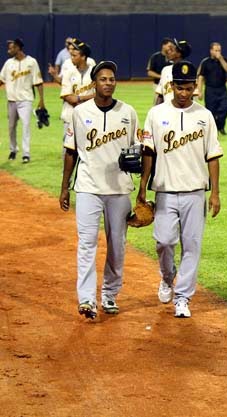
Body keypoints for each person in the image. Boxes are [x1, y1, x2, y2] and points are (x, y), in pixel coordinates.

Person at [138, 60, 223, 318]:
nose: (184, 93)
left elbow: (213, 155)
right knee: (163, 242)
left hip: (195, 192)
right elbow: (148, 151)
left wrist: (215, 192)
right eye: (180, 87)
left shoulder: (204, 116)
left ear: (195, 87)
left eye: (189, 88)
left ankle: (183, 297)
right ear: (170, 85)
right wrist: (143, 185)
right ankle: (167, 276)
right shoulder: (156, 114)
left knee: (192, 245)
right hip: (164, 191)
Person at [59, 60, 139, 319]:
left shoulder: (128, 112)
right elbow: (71, 151)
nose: (108, 83)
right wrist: (64, 188)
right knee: (87, 243)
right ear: (95, 83)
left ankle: (109, 294)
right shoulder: (79, 113)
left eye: (112, 79)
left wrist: (142, 182)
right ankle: (86, 299)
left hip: (119, 189)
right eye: (103, 79)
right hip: (87, 187)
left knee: (117, 244)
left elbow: (138, 150)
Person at [0, 38, 45, 163]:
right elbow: (1, 79)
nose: (9, 50)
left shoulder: (31, 62)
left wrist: (41, 101)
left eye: (11, 47)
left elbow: (38, 82)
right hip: (11, 100)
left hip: (26, 100)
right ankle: (13, 149)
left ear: (18, 48)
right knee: (11, 127)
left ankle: (26, 153)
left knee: (25, 126)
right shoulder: (8, 63)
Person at [60, 39, 95, 153]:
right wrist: (88, 97)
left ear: (83, 56)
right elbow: (67, 96)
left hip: (89, 116)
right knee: (68, 149)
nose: (72, 58)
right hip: (70, 116)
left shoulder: (94, 72)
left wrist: (80, 98)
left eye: (75, 55)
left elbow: (99, 94)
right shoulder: (69, 72)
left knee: (89, 147)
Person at [196, 42, 227, 135]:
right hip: (210, 90)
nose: (218, 52)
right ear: (211, 51)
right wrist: (199, 91)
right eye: (216, 50)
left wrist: (221, 59)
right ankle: (213, 129)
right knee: (210, 111)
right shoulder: (205, 62)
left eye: (219, 50)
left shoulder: (224, 60)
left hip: (222, 89)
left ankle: (220, 126)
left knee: (225, 108)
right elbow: (200, 77)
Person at [155, 38, 190, 105]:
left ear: (179, 54)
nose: (169, 51)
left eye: (172, 50)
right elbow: (160, 95)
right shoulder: (165, 70)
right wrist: (155, 111)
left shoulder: (188, 71)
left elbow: (192, 97)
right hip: (166, 111)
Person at [146, 38, 174, 105]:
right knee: (157, 105)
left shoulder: (173, 57)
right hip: (157, 85)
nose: (171, 48)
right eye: (169, 46)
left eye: (172, 47)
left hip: (171, 86)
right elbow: (149, 72)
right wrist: (162, 77)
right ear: (163, 46)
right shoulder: (155, 57)